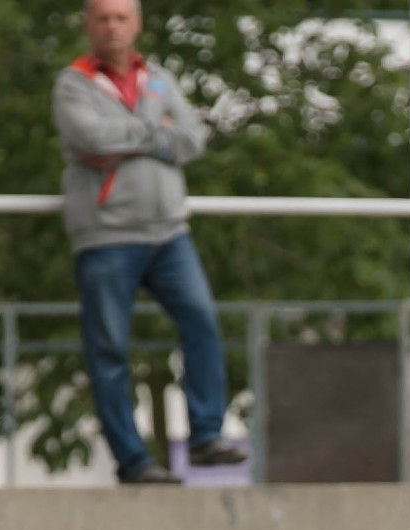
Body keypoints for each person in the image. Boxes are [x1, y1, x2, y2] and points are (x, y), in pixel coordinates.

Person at [53, 0, 246, 485]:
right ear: (88, 25)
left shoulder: (158, 77)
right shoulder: (72, 83)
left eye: (121, 17)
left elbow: (192, 140)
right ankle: (133, 461)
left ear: (137, 24)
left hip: (169, 233)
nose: (113, 27)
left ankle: (205, 435)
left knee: (201, 322)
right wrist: (154, 133)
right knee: (110, 350)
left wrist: (126, 141)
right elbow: (91, 140)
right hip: (107, 237)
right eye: (103, 18)